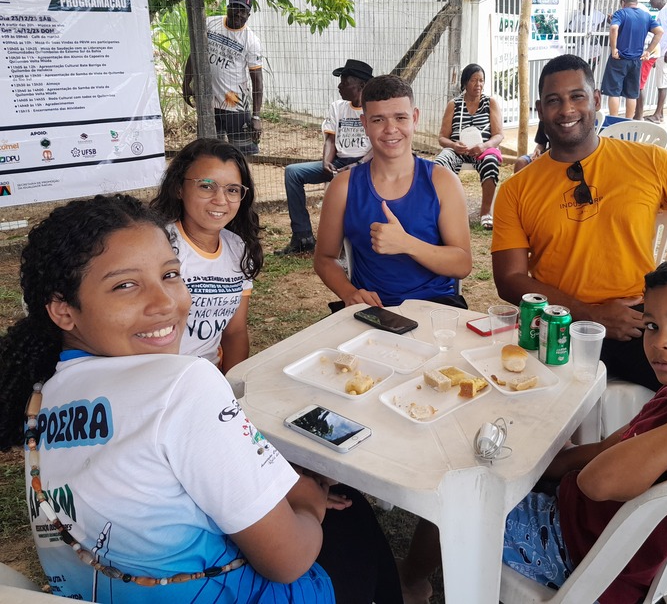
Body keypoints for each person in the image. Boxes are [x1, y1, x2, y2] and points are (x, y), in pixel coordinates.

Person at [0, 194, 403, 603]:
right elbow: (288, 560)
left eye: (170, 274)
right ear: (63, 310)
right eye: (125, 285)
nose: (165, 303)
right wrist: (310, 501)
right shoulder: (182, 383)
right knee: (351, 514)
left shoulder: (41, 396)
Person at [491, 54, 667, 600]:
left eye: (577, 96)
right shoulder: (519, 187)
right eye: (553, 100)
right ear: (540, 109)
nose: (566, 109)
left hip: (643, 325)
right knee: (508, 395)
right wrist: (590, 313)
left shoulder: (649, 161)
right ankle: (539, 486)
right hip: (561, 326)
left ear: (596, 100)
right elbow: (510, 280)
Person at [400, 253, 667, 603]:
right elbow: (608, 448)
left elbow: (596, 482)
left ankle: (410, 582)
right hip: (587, 525)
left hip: (585, 556)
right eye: (651, 325)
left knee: (453, 507)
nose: (660, 342)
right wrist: (546, 462)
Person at [314, 74, 472, 310]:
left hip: (435, 307)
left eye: (400, 118)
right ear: (365, 123)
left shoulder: (443, 182)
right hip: (373, 311)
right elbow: (324, 258)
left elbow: (462, 264)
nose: (390, 129)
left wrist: (406, 244)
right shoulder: (343, 187)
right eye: (378, 120)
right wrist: (350, 293)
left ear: (414, 118)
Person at [150, 138, 262, 374]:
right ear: (179, 188)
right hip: (159, 376)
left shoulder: (238, 249)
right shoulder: (158, 246)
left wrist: (228, 387)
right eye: (206, 186)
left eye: (232, 190)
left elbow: (235, 332)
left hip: (207, 377)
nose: (220, 200)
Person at [277, 59, 375, 255]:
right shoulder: (338, 107)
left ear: (361, 85)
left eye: (345, 82)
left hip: (366, 165)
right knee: (293, 173)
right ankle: (303, 237)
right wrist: (326, 162)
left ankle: (351, 243)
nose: (339, 86)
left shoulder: (374, 109)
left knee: (345, 193)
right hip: (339, 163)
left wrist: (358, 164)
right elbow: (330, 139)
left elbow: (377, 145)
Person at [182, 0, 263, 156]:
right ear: (228, 7)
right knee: (210, 152)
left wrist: (256, 117)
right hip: (208, 103)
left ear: (248, 15)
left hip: (235, 104)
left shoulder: (251, 41)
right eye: (235, 8)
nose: (238, 14)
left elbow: (257, 81)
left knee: (241, 154)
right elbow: (195, 54)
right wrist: (186, 83)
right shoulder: (210, 23)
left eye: (243, 11)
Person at [434, 63, 504, 229]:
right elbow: (442, 138)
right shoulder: (454, 104)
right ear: (465, 82)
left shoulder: (490, 103)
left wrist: (484, 146)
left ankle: (485, 213)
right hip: (457, 151)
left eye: (481, 80)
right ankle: (444, 211)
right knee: (439, 164)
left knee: (490, 162)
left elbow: (499, 135)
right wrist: (454, 145)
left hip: (482, 150)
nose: (478, 84)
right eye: (474, 80)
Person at [600, 0, 663, 118]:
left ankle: (614, 120)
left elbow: (614, 28)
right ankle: (629, 121)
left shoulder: (620, 13)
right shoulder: (646, 16)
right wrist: (648, 51)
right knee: (632, 94)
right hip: (636, 61)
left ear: (623, 2)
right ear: (636, 2)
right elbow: (659, 32)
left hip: (619, 59)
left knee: (614, 92)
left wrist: (614, 49)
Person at [565, 0, 608, 70]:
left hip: (594, 50)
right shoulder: (578, 17)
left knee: (590, 72)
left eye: (593, 1)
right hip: (581, 50)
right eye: (589, 1)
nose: (591, 3)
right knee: (582, 72)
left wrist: (599, 26)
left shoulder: (599, 15)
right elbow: (568, 30)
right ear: (584, 1)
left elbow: (606, 21)